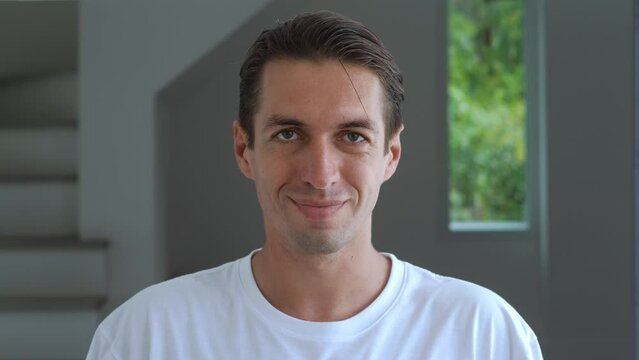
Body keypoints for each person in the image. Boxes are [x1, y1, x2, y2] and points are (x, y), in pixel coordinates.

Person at [87, 10, 543, 359]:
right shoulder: (147, 336)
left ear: (391, 154)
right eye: (289, 134)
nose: (321, 174)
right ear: (244, 149)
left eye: (352, 136)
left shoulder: (482, 335)